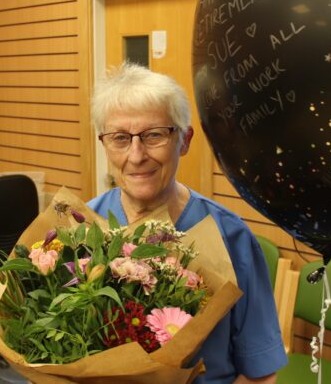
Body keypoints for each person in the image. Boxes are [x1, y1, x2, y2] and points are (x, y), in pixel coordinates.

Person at [88, 63, 287, 384]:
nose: (136, 156)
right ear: (104, 145)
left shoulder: (230, 236)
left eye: (154, 135)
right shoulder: (83, 227)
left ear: (184, 140)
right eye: (120, 138)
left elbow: (260, 374)